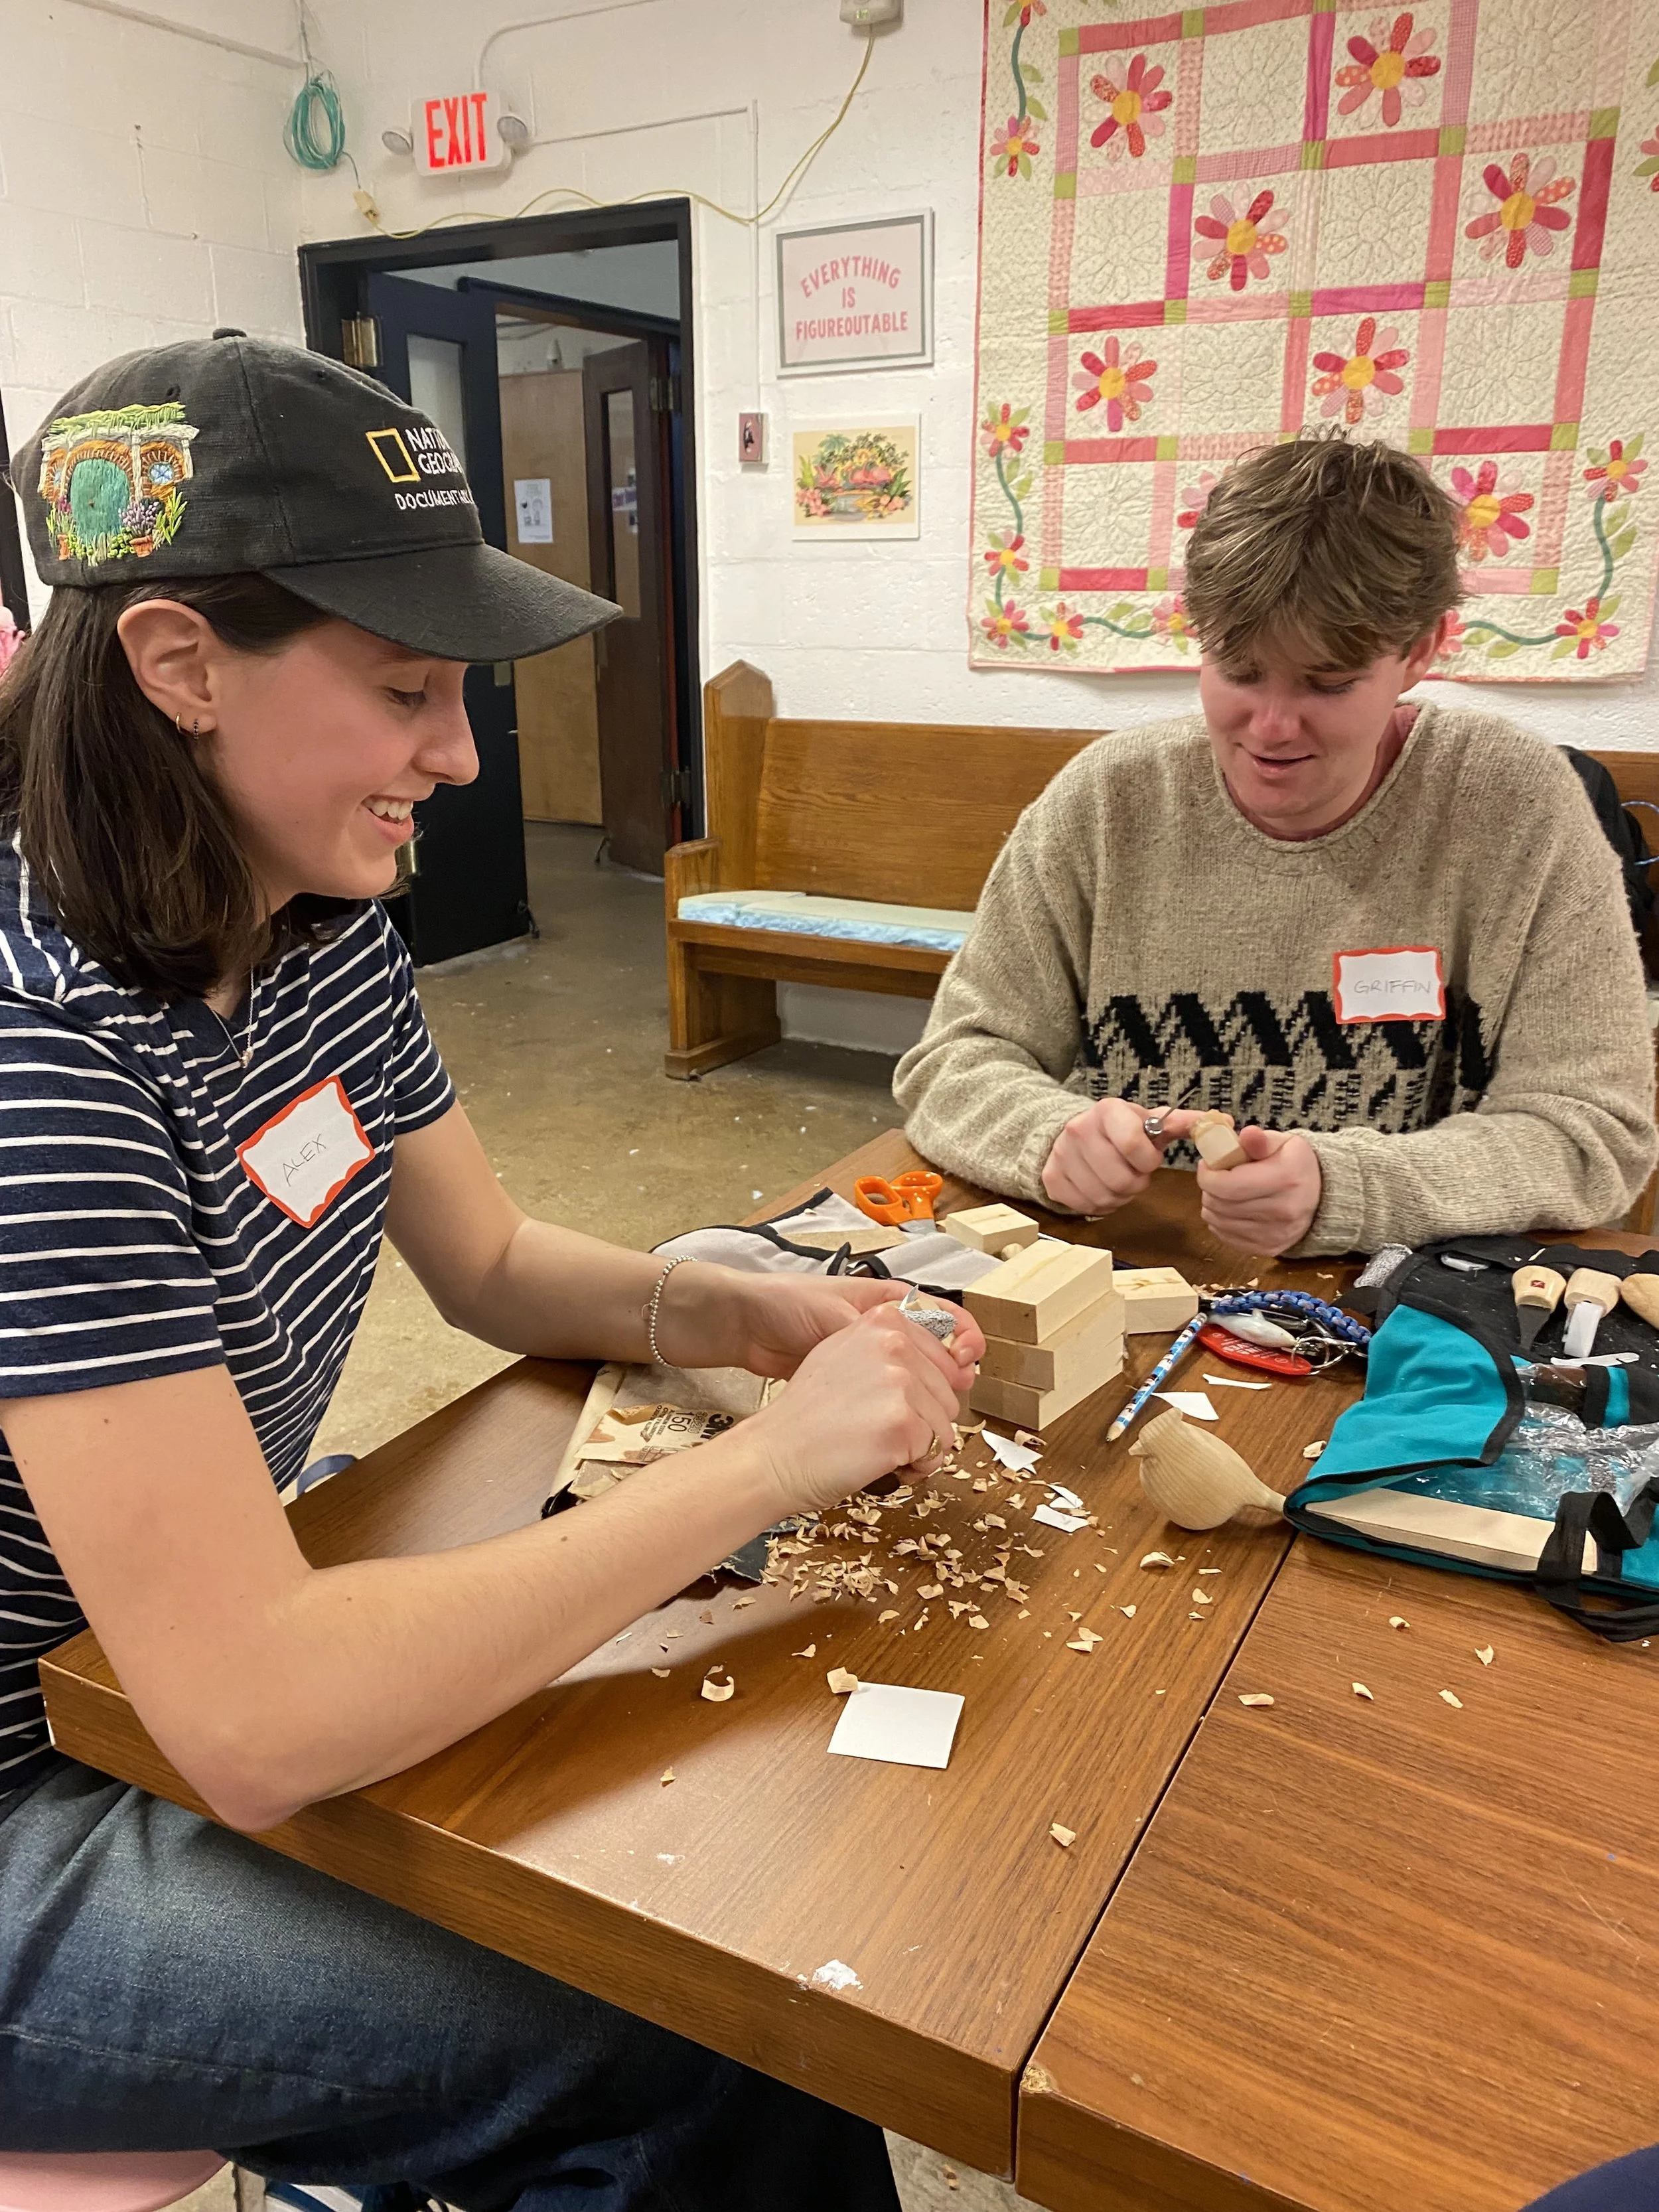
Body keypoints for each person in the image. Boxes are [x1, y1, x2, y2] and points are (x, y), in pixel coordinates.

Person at [0, 335, 983, 2209]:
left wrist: (731, 1305)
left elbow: (491, 1257)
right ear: (177, 665)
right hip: (35, 1772)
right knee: (673, 2047)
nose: (457, 755)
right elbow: (254, 1716)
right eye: (405, 691)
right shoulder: (41, 1053)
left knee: (695, 1896)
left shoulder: (312, 919)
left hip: (145, 1667)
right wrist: (764, 1464)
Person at [896, 435, 1656, 1258]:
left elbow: (1593, 1136)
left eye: (1328, 683)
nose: (1270, 729)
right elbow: (954, 1065)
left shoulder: (1519, 810)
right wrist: (1048, 1136)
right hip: (1131, 1269)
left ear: (1422, 651)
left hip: (1402, 1311)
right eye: (1239, 669)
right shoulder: (1106, 803)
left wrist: (1348, 1187)